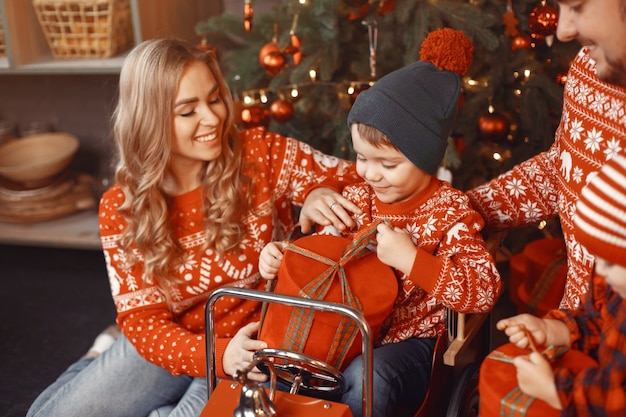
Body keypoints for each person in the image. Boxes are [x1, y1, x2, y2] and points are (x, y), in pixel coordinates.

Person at [26, 38, 362, 417]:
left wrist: (322, 190)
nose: (213, 118)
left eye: (215, 98)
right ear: (149, 120)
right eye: (188, 111)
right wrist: (216, 355)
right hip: (174, 342)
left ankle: (108, 356)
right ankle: (100, 352)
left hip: (254, 344)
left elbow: (363, 179)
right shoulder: (122, 207)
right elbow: (143, 322)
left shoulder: (261, 154)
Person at [259, 28, 503, 417]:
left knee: (367, 376)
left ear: (425, 157)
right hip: (347, 332)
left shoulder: (450, 212)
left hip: (411, 345)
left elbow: (484, 290)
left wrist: (412, 260)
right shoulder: (359, 199)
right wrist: (282, 255)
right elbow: (322, 256)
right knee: (284, 356)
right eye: (361, 158)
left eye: (388, 164)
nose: (371, 174)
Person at [465, 0, 626, 312]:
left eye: (577, 7)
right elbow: (562, 173)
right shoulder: (592, 66)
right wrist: (458, 211)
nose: (563, 30)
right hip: (573, 331)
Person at [479, 152, 626, 416]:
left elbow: (617, 399)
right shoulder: (614, 287)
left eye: (611, 262)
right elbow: (594, 321)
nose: (598, 269)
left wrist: (556, 390)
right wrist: (554, 329)